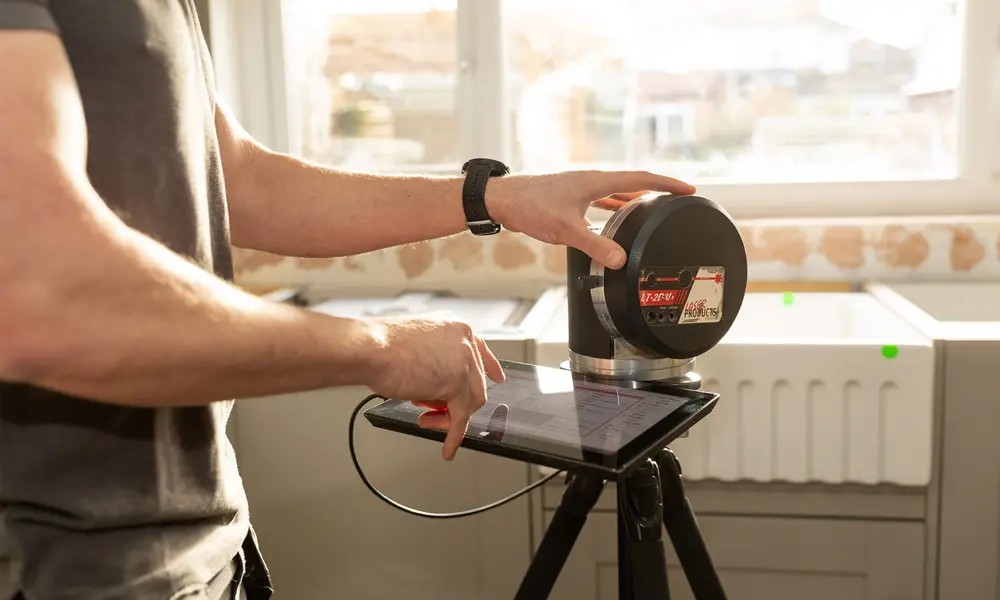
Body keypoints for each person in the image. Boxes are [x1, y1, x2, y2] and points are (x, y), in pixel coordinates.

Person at [0, 3, 695, 599]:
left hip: (207, 545)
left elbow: (242, 179)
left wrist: (493, 196)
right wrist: (381, 348)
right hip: (70, 568)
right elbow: (36, 295)